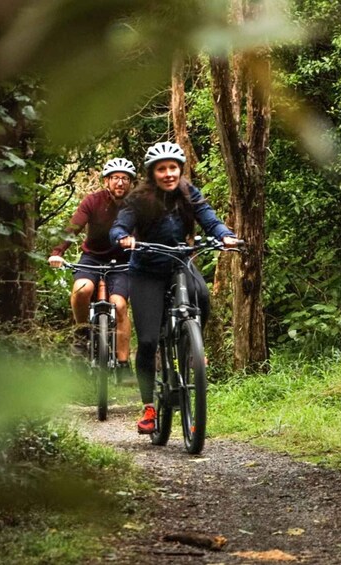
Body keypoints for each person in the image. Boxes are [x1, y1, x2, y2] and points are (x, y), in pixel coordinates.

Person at [109, 142, 237, 434]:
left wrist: (225, 235)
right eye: (161, 169)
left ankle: (193, 347)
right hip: (146, 272)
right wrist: (122, 237)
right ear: (152, 173)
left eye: (173, 168)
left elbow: (210, 220)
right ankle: (149, 408)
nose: (168, 174)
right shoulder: (139, 199)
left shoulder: (189, 194)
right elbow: (120, 225)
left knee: (202, 295)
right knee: (150, 340)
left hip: (179, 263)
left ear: (180, 169)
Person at [48, 157, 135, 378]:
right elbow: (73, 226)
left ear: (131, 183)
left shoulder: (135, 206)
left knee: (120, 305)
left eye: (125, 178)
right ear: (106, 181)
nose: (120, 183)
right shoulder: (93, 201)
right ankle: (82, 333)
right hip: (92, 259)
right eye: (115, 178)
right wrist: (58, 252)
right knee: (81, 289)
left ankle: (124, 365)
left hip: (122, 262)